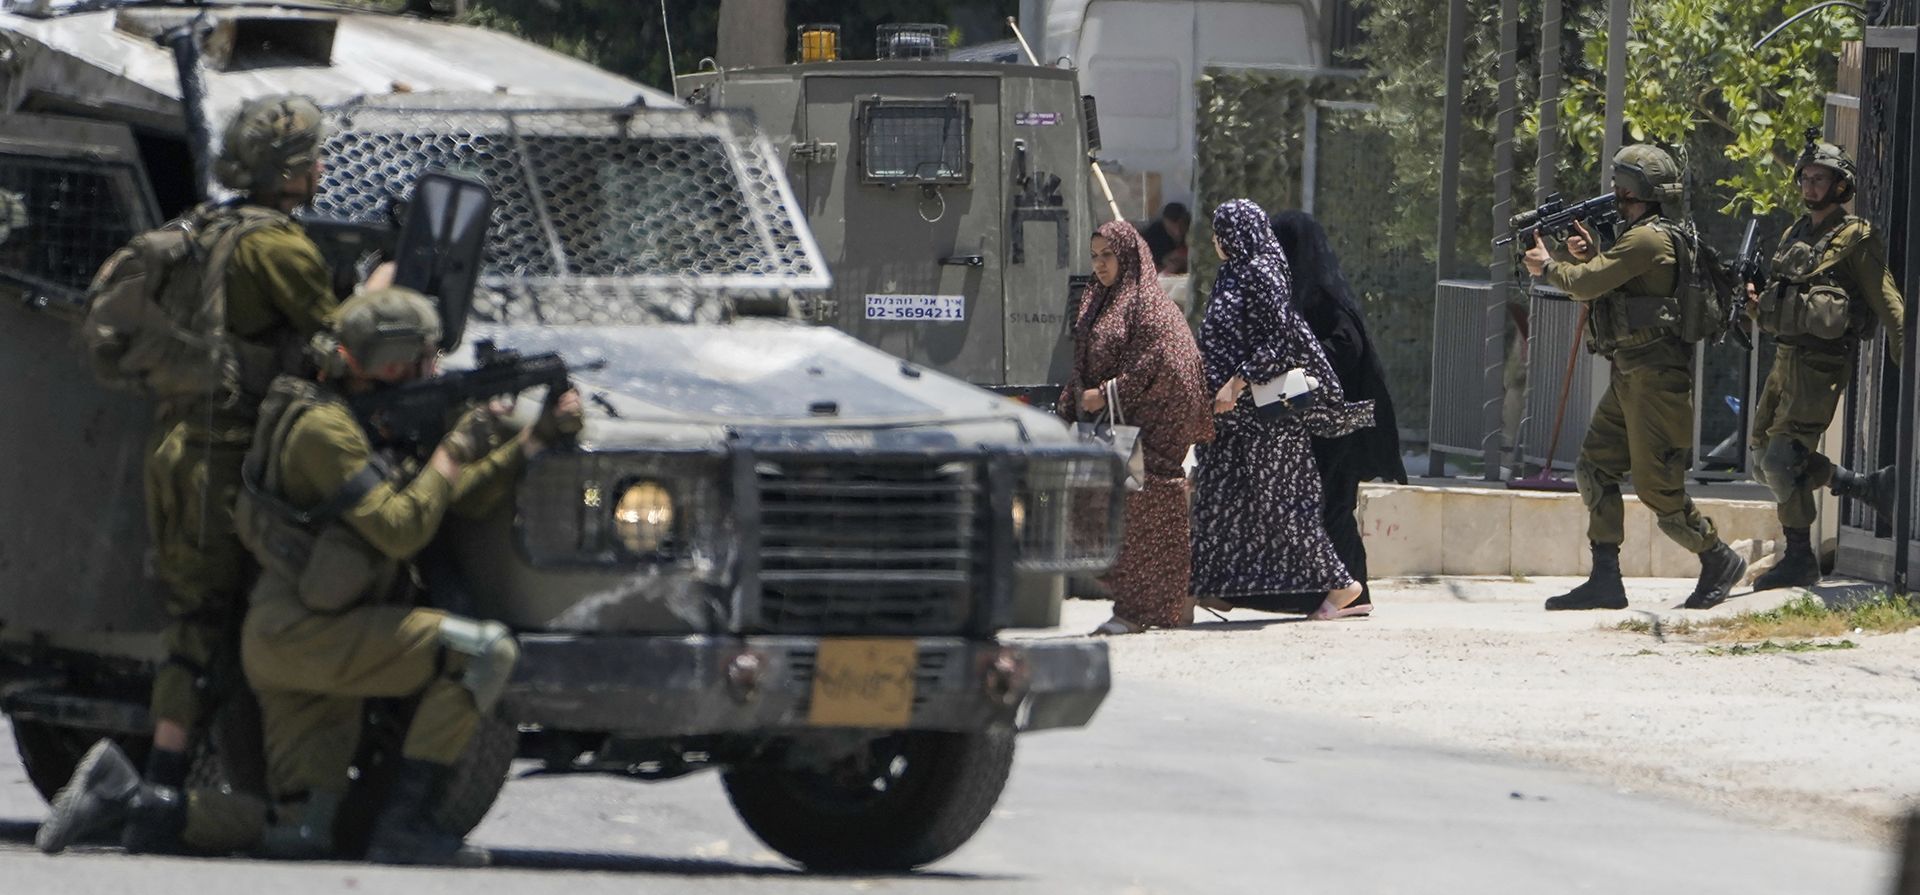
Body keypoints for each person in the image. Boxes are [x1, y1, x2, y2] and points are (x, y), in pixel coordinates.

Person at [37, 289, 580, 865]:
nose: (435, 369)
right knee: (484, 654)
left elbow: (444, 503)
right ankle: (405, 827)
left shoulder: (353, 417)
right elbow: (401, 527)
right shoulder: (321, 430)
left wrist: (531, 441)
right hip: (309, 636)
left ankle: (128, 800)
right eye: (425, 357)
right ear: (392, 363)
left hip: (307, 636)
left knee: (299, 832)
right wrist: (455, 447)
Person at [138, 94, 344, 806]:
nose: (321, 167)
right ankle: (160, 792)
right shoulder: (279, 246)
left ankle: (188, 780)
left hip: (177, 445)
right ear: (287, 171)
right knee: (208, 624)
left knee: (198, 614)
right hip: (221, 458)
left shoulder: (206, 226)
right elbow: (339, 343)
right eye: (312, 156)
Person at [1522, 144, 1747, 610]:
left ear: (1642, 193)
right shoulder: (1641, 237)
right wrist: (1587, 252)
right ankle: (1606, 578)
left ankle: (1717, 557)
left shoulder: (1648, 240)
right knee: (1595, 468)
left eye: (1622, 191)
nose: (1615, 198)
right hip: (1630, 373)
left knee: (1659, 491)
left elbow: (1586, 283)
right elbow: (1609, 277)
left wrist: (1549, 265)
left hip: (1655, 380)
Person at [1190, 199, 1375, 620]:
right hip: (1228, 420)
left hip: (1263, 417)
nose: (1217, 241)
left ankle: (1343, 585)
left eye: (1222, 231)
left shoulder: (1263, 272)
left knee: (1284, 507)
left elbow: (1279, 340)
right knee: (1217, 502)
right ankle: (1204, 591)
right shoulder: (1230, 274)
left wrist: (1237, 383)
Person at [1745, 134, 1907, 590]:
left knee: (1781, 463)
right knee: (1762, 461)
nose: (1810, 185)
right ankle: (1862, 485)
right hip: (1785, 357)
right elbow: (1783, 302)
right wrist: (1757, 303)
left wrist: (1906, 354)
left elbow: (1888, 300)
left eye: (1821, 179)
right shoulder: (1794, 232)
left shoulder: (1857, 238)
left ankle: (1799, 558)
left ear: (1841, 186)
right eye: (1806, 177)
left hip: (1821, 365)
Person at [1059, 220, 1213, 634]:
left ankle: (1139, 612)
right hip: (1110, 432)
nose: (1100, 265)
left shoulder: (1148, 305)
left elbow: (1166, 361)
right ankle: (1147, 607)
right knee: (1095, 516)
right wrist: (1075, 402)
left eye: (1108, 255)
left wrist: (1108, 394)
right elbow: (1085, 356)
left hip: (1146, 433)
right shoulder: (1100, 299)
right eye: (1094, 256)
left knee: (1142, 520)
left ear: (1128, 256)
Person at [1258, 210, 1408, 614]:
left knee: (1334, 504)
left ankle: (1351, 593)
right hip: (1322, 423)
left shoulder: (1323, 297)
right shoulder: (1304, 294)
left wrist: (1292, 377)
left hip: (1340, 427)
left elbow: (1344, 352)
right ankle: (1347, 593)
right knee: (1330, 506)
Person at [1139, 202, 1191, 274]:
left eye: (1181, 227)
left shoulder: (1193, 229)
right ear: (1164, 222)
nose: (1177, 232)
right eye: (1171, 229)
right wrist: (1165, 262)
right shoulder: (1153, 234)